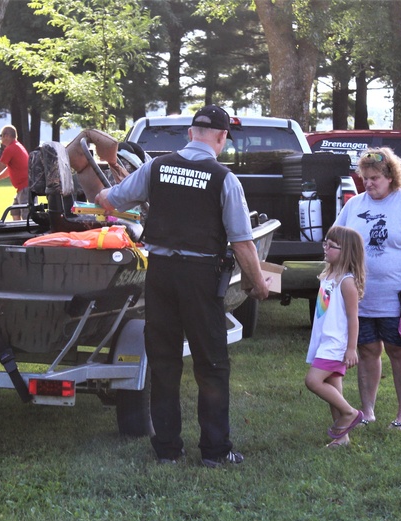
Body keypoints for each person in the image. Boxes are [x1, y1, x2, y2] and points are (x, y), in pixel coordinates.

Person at [94, 105, 270, 467]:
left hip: (159, 275)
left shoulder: (155, 168)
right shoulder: (224, 179)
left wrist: (101, 184)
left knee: (164, 362)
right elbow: (242, 242)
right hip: (201, 277)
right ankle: (216, 451)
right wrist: (257, 284)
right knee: (212, 364)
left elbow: (109, 201)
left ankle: (168, 450)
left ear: (190, 133)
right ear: (220, 138)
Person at [334, 147, 401, 432]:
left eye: (375, 178)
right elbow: (336, 241)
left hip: (400, 300)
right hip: (362, 299)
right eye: (364, 178)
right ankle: (367, 411)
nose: (368, 183)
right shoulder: (354, 205)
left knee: (399, 353)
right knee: (367, 351)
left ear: (391, 177)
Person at [305, 226, 366, 448]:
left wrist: (351, 348)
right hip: (324, 339)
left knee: (313, 381)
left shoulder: (346, 281)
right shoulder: (329, 274)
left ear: (347, 251)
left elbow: (353, 318)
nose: (326, 248)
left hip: (336, 342)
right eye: (325, 244)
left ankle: (350, 413)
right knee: (332, 384)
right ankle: (342, 438)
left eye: (332, 246)